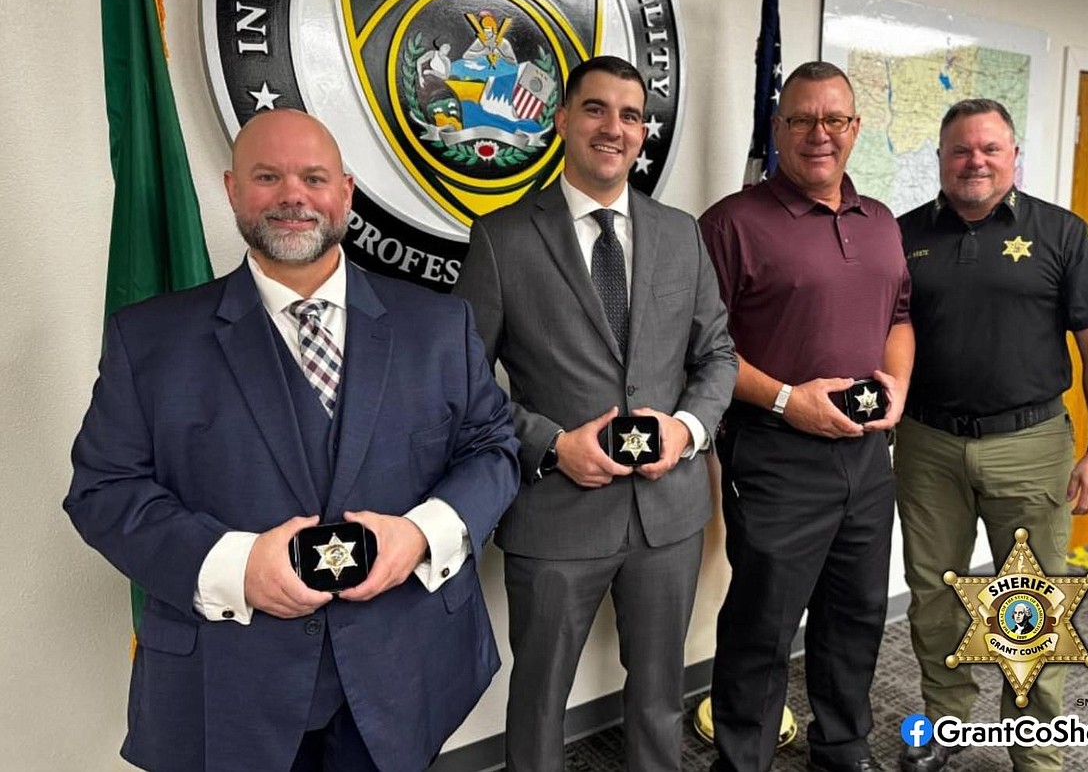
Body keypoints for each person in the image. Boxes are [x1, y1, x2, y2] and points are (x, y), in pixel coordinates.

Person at [64, 109, 520, 772]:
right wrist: (236, 568)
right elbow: (103, 491)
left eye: (313, 177)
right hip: (228, 687)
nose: (292, 195)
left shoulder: (440, 326)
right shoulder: (150, 341)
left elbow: (492, 447)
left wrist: (423, 534)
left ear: (346, 193)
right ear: (231, 190)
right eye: (267, 177)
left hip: (402, 672)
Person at [453, 55, 737, 772]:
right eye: (596, 109)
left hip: (667, 514)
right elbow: (459, 381)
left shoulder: (680, 233)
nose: (615, 127)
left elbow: (719, 358)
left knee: (659, 697)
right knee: (540, 698)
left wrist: (689, 428)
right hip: (556, 513)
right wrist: (549, 445)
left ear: (644, 132)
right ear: (561, 120)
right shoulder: (502, 237)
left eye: (631, 115)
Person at [895, 98, 1088, 772]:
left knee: (1029, 606)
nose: (975, 161)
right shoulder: (902, 236)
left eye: (990, 148)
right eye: (961, 150)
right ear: (940, 159)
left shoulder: (1064, 234)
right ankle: (944, 726)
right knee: (935, 597)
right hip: (927, 445)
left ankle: (1034, 750)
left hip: (1031, 447)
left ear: (1013, 155)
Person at [700, 60, 914, 772]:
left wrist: (899, 386)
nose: (819, 134)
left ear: (855, 128)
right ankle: (743, 762)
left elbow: (901, 315)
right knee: (762, 629)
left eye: (835, 119)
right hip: (776, 454)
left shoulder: (879, 221)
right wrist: (791, 400)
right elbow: (700, 351)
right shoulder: (731, 223)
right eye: (802, 120)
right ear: (778, 128)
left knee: (855, 619)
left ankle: (843, 752)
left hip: (866, 457)